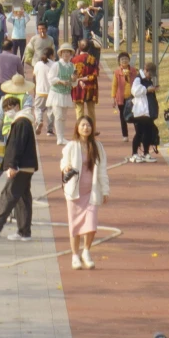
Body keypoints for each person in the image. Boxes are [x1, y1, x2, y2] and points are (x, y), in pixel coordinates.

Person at [0, 84, 39, 238]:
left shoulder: (21, 122)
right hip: (25, 165)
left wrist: (12, 165)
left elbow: (17, 145)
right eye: (5, 109)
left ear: (17, 106)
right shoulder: (21, 121)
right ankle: (24, 232)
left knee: (8, 194)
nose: (8, 111)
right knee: (23, 198)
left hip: (21, 166)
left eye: (10, 107)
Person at [60, 110, 109, 269]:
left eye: (88, 125)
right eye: (83, 125)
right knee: (74, 225)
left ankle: (86, 251)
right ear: (77, 128)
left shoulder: (98, 147)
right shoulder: (71, 146)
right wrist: (66, 167)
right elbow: (63, 163)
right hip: (74, 192)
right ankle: (75, 255)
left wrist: (105, 190)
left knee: (92, 224)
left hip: (91, 191)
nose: (86, 128)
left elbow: (102, 170)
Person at [129, 67, 160, 163]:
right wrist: (147, 89)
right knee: (139, 132)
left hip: (147, 111)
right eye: (150, 74)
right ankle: (134, 153)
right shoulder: (138, 79)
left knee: (148, 132)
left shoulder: (147, 80)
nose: (150, 76)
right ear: (145, 70)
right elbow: (135, 91)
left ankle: (146, 153)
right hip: (139, 110)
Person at [111, 52, 133, 140]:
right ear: (119, 62)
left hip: (131, 97)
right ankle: (125, 135)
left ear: (129, 60)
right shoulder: (117, 72)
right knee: (123, 116)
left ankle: (138, 133)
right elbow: (114, 85)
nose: (124, 61)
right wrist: (113, 98)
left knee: (134, 115)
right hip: (121, 97)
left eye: (126, 59)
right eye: (122, 59)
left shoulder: (134, 71)